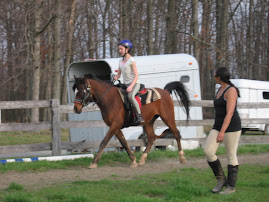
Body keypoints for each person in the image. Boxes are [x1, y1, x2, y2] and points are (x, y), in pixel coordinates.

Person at [204, 67, 241, 194]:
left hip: (232, 127)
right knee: (209, 152)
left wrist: (222, 132)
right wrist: (218, 129)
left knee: (231, 155)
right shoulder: (219, 89)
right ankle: (221, 180)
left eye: (215, 76)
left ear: (219, 77)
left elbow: (229, 113)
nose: (214, 77)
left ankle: (231, 187)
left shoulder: (231, 91)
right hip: (218, 126)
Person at [114, 39, 145, 124]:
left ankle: (139, 116)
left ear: (127, 49)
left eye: (121, 49)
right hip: (125, 84)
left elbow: (136, 75)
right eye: (119, 49)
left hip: (134, 83)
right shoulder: (120, 61)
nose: (120, 51)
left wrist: (131, 86)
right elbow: (119, 74)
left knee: (131, 96)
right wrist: (116, 77)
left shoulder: (131, 61)